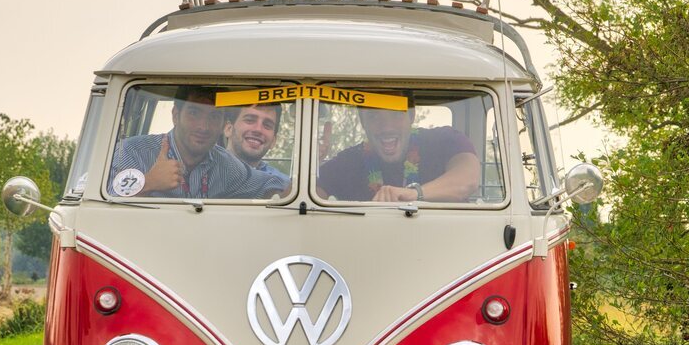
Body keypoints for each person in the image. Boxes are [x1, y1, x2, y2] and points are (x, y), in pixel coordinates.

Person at [109, 87, 288, 199]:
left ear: (223, 124)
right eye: (194, 113)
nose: (204, 126)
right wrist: (149, 183)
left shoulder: (225, 165)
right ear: (175, 115)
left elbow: (270, 184)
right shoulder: (132, 151)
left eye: (214, 116)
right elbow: (100, 208)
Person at [316, 99, 481, 202]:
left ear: (411, 116)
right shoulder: (347, 162)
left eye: (396, 114)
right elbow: (298, 205)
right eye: (374, 116)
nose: (386, 127)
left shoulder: (442, 140)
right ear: (363, 122)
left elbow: (467, 180)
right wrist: (310, 163)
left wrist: (413, 194)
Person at [222, 104, 290, 190]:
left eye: (267, 125)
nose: (258, 130)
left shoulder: (284, 187)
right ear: (228, 129)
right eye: (250, 120)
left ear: (273, 141)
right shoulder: (203, 172)